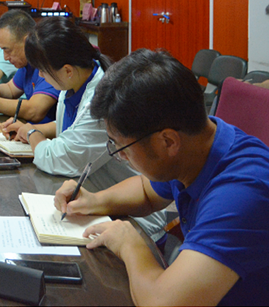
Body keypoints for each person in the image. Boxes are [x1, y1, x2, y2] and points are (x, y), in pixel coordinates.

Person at [54, 49, 269, 306]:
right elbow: (148, 190)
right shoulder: (197, 144)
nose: (120, 156)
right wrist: (94, 200)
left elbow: (162, 302)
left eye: (122, 148)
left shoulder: (241, 193)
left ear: (167, 141)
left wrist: (129, 243)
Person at [1, 17, 165, 239]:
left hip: (134, 222)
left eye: (43, 70)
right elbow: (74, 129)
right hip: (96, 203)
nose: (40, 75)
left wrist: (32, 134)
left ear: (67, 70)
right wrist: (32, 129)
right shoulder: (75, 83)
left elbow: (57, 157)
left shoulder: (100, 102)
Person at [0, 10, 58, 123]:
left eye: (7, 50)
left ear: (27, 42)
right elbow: (10, 89)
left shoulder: (48, 63)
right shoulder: (27, 63)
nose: (5, 57)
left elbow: (34, 111)